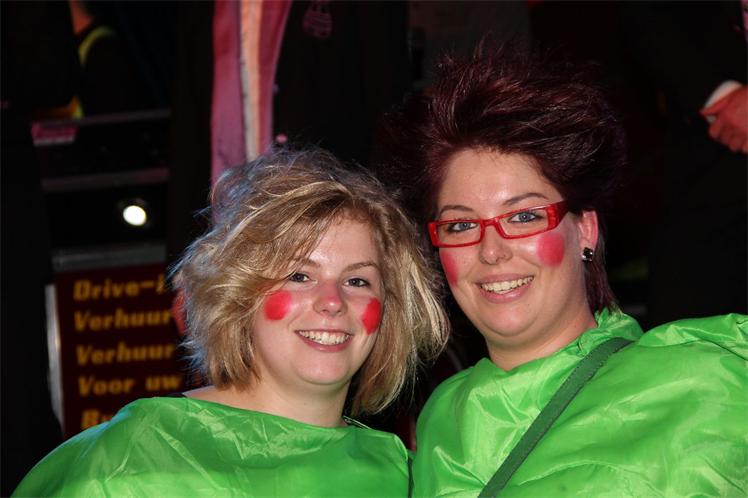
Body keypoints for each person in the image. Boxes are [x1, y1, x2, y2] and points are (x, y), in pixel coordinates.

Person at [382, 45, 748, 497]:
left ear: (585, 230)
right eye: (461, 225)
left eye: (524, 217)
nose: (491, 250)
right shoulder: (441, 418)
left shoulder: (705, 380)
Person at [13, 148, 448, 497]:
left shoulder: (402, 475)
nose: (332, 302)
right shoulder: (132, 460)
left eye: (357, 280)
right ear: (240, 294)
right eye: (299, 276)